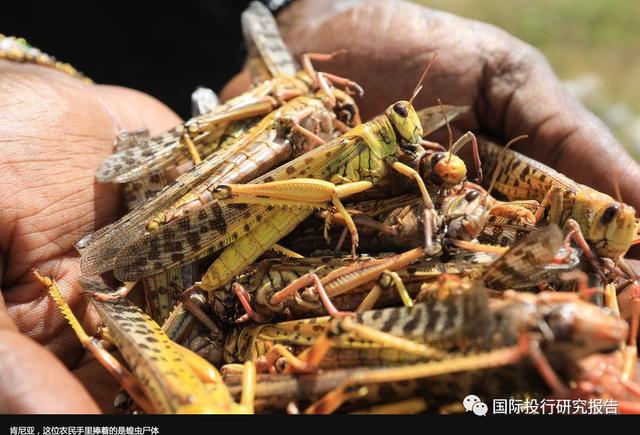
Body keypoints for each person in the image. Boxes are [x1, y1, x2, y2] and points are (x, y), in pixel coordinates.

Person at [0, 0, 638, 413]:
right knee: (306, 193)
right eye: (399, 121)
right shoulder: (349, 143)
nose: (410, 125)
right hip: (247, 207)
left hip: (276, 259)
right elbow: (335, 191)